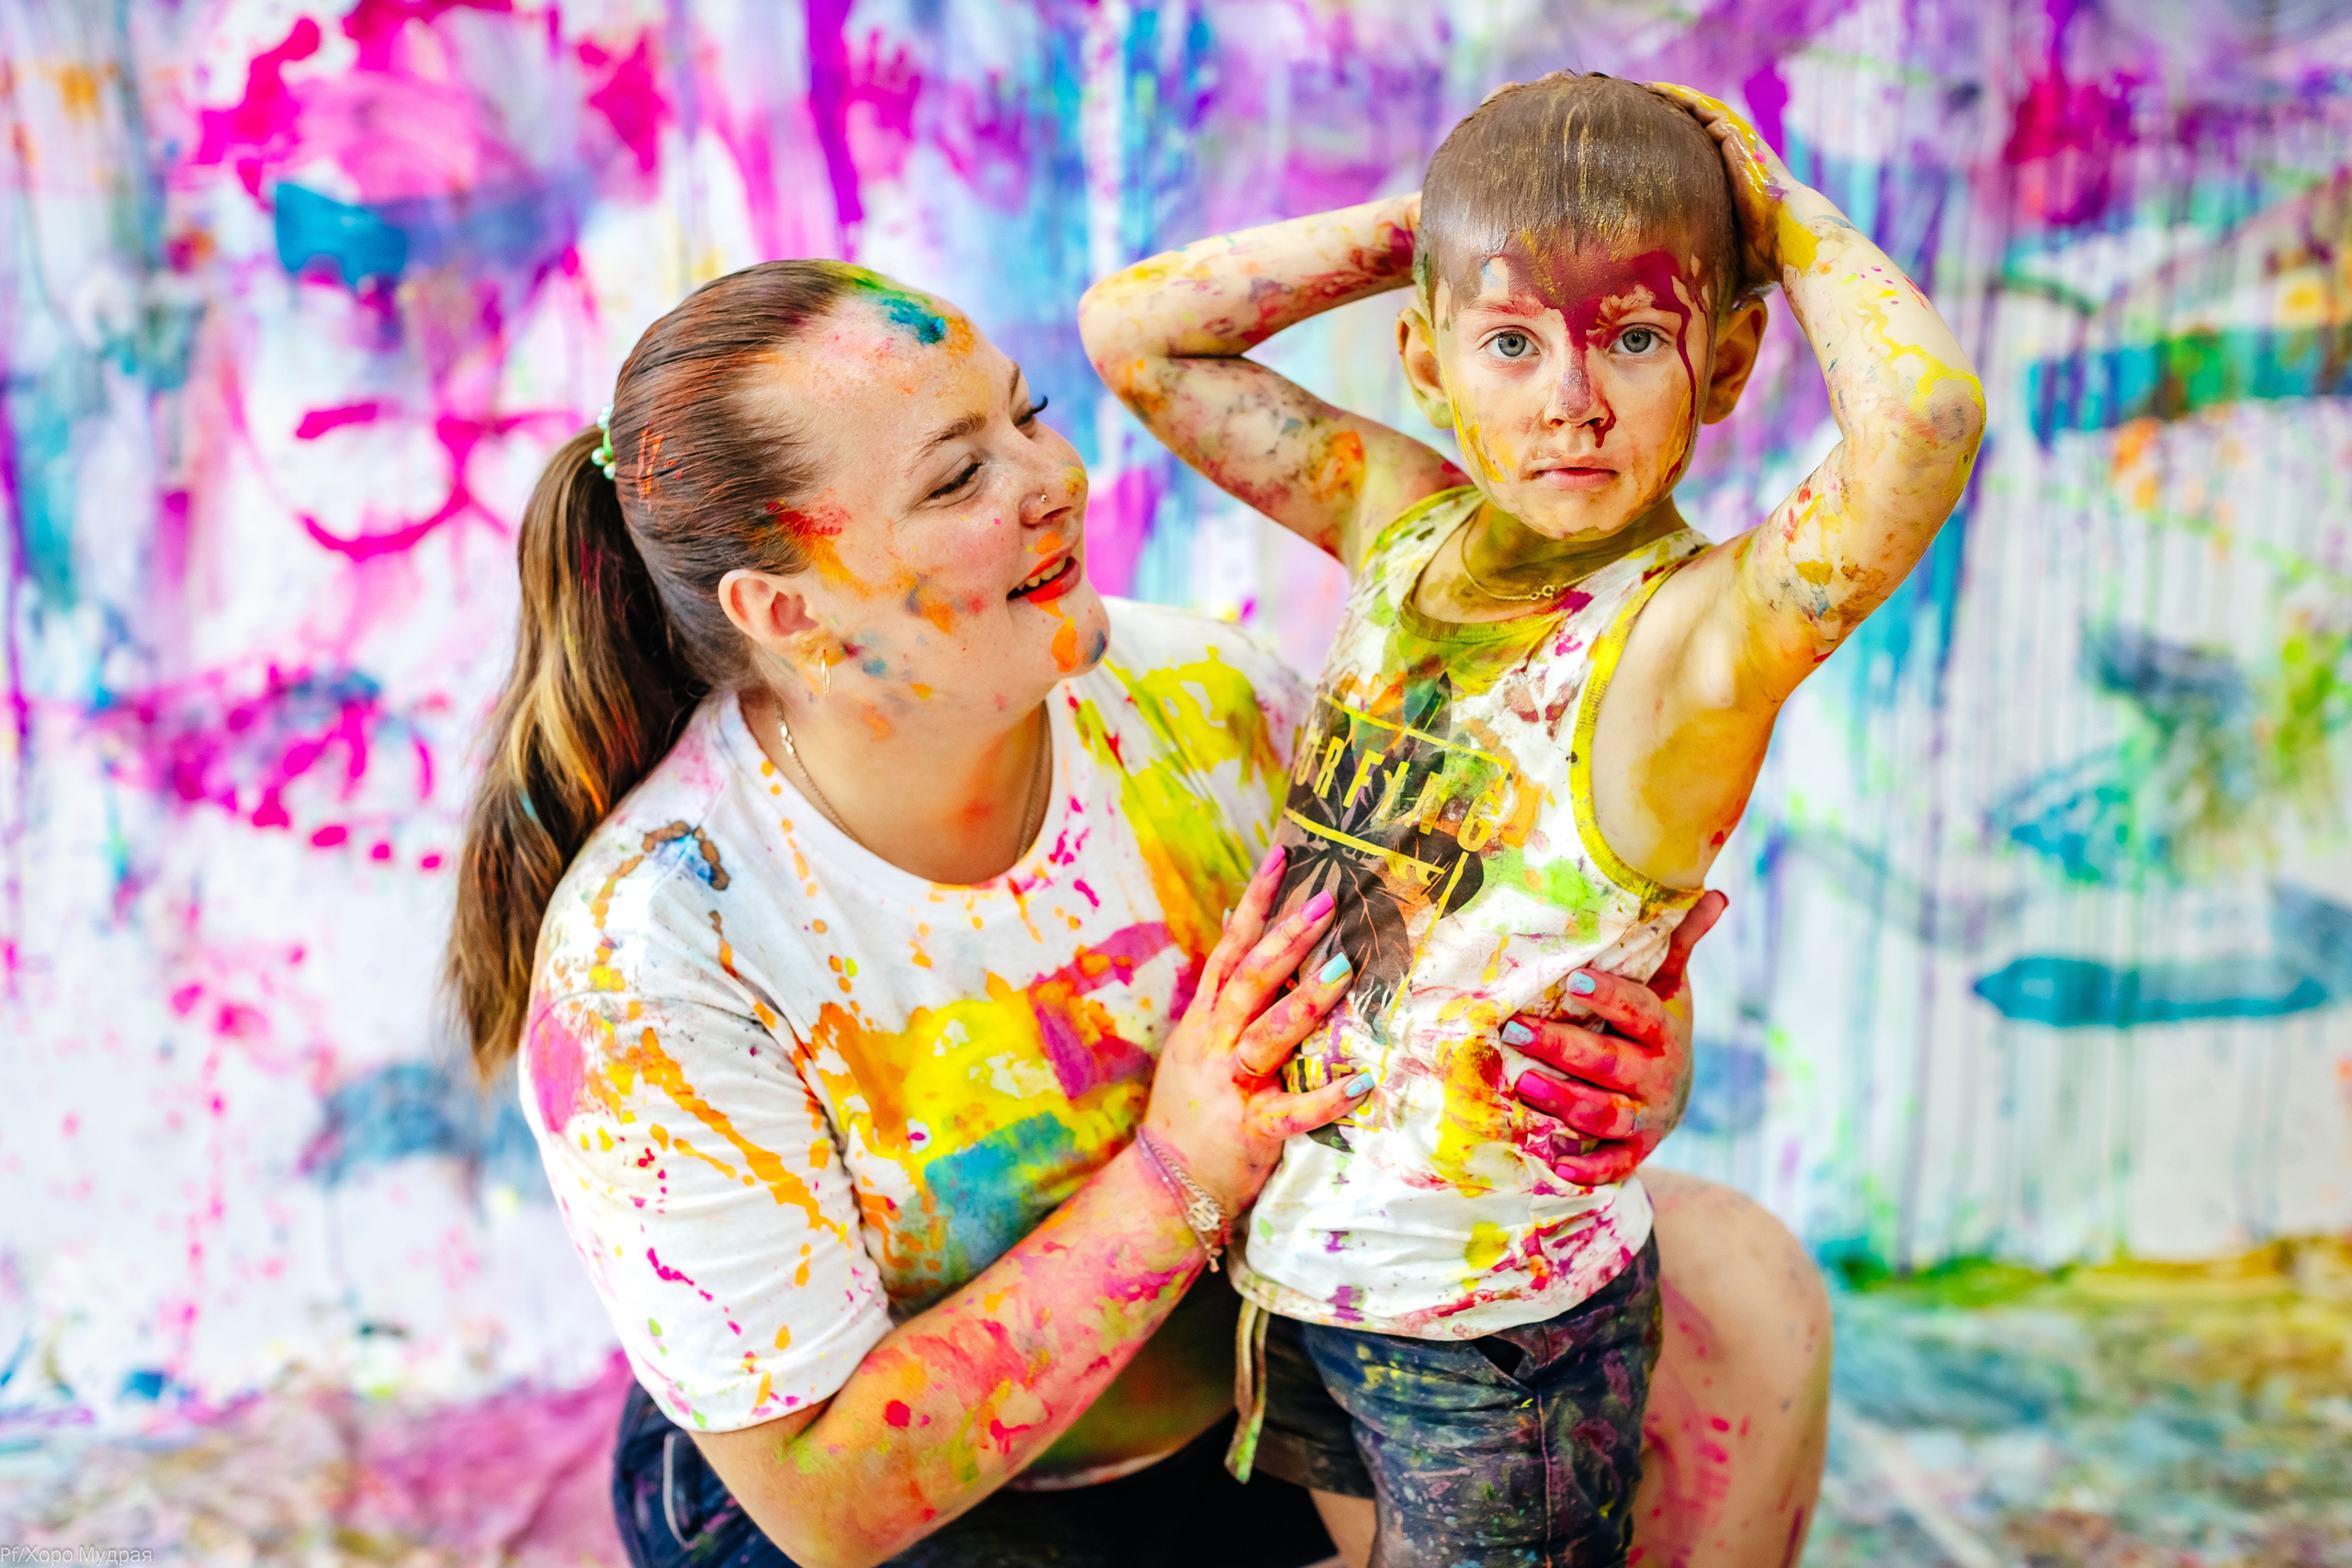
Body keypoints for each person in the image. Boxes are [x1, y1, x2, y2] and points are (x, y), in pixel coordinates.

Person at [448, 257, 1831, 1568]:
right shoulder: (653, 954)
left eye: (1026, 416)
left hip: (1240, 1416)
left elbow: (1438, 1045)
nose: (1057, 478)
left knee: (1736, 1288)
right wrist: (1181, 1171)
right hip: (907, 1519)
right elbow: (823, 1495)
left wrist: (1602, 1069)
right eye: (959, 477)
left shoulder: (1217, 711)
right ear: (787, 611)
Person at [1080, 73, 1982, 1567]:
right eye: (1512, 342)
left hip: (1498, 1340)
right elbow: (1138, 333)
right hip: (1303, 1276)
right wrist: (1422, 231)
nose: (1569, 398)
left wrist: (1775, 214)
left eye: (1634, 337)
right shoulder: (1400, 522)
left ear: (1732, 357)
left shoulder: (1700, 637)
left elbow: (1929, 418)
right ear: (1429, 368)